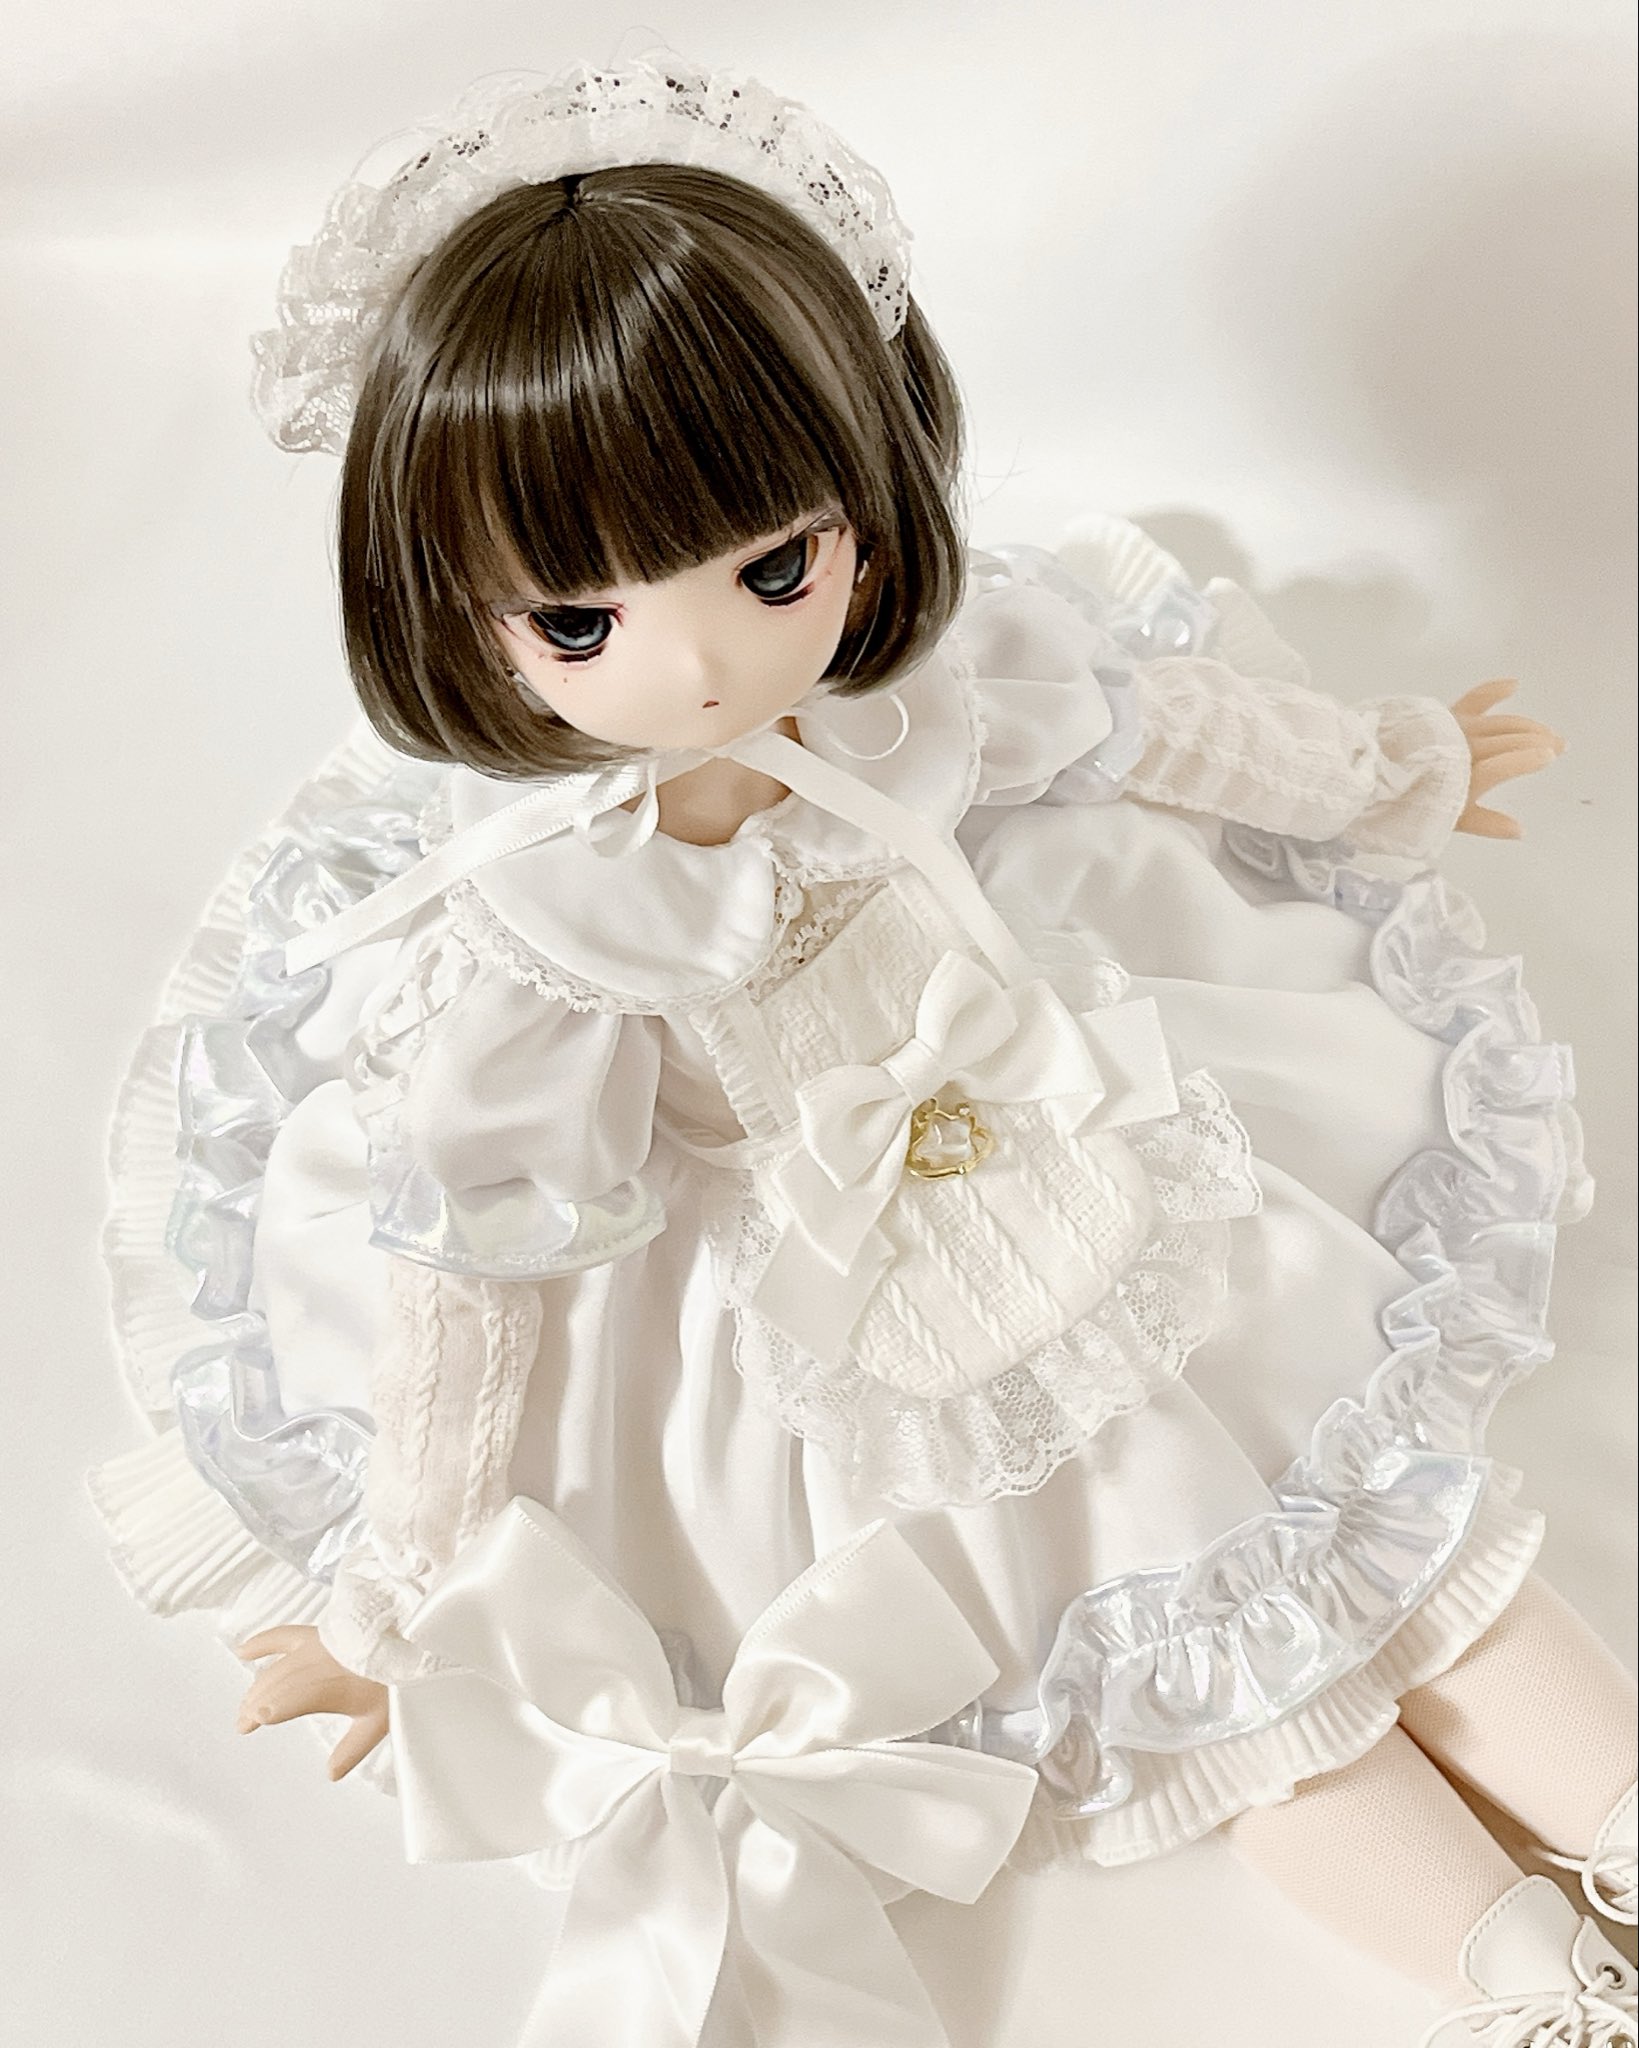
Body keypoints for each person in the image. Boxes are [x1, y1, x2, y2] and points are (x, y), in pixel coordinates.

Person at [89, 51, 1637, 2047]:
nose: (701, 662)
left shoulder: (922, 696)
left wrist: (1388, 768)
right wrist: (402, 1596)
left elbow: (1135, 725)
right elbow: (475, 1274)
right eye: (579, 621)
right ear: (457, 622)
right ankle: (1531, 1975)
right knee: (1220, 1664)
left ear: (864, 512)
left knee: (1401, 1532)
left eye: (771, 569)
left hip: (1075, 1136)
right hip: (818, 1299)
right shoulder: (552, 933)